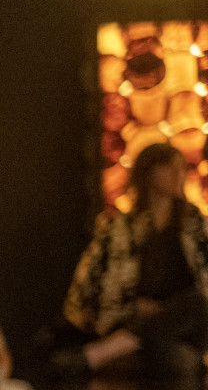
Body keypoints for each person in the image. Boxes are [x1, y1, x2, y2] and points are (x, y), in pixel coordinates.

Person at [60, 141, 208, 374]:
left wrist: (162, 310)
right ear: (149, 173)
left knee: (196, 305)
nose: (179, 175)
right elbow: (99, 285)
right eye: (170, 168)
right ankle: (125, 351)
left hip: (186, 324)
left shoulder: (196, 227)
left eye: (183, 168)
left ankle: (106, 353)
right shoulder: (120, 230)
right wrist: (132, 306)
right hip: (139, 323)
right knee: (177, 358)